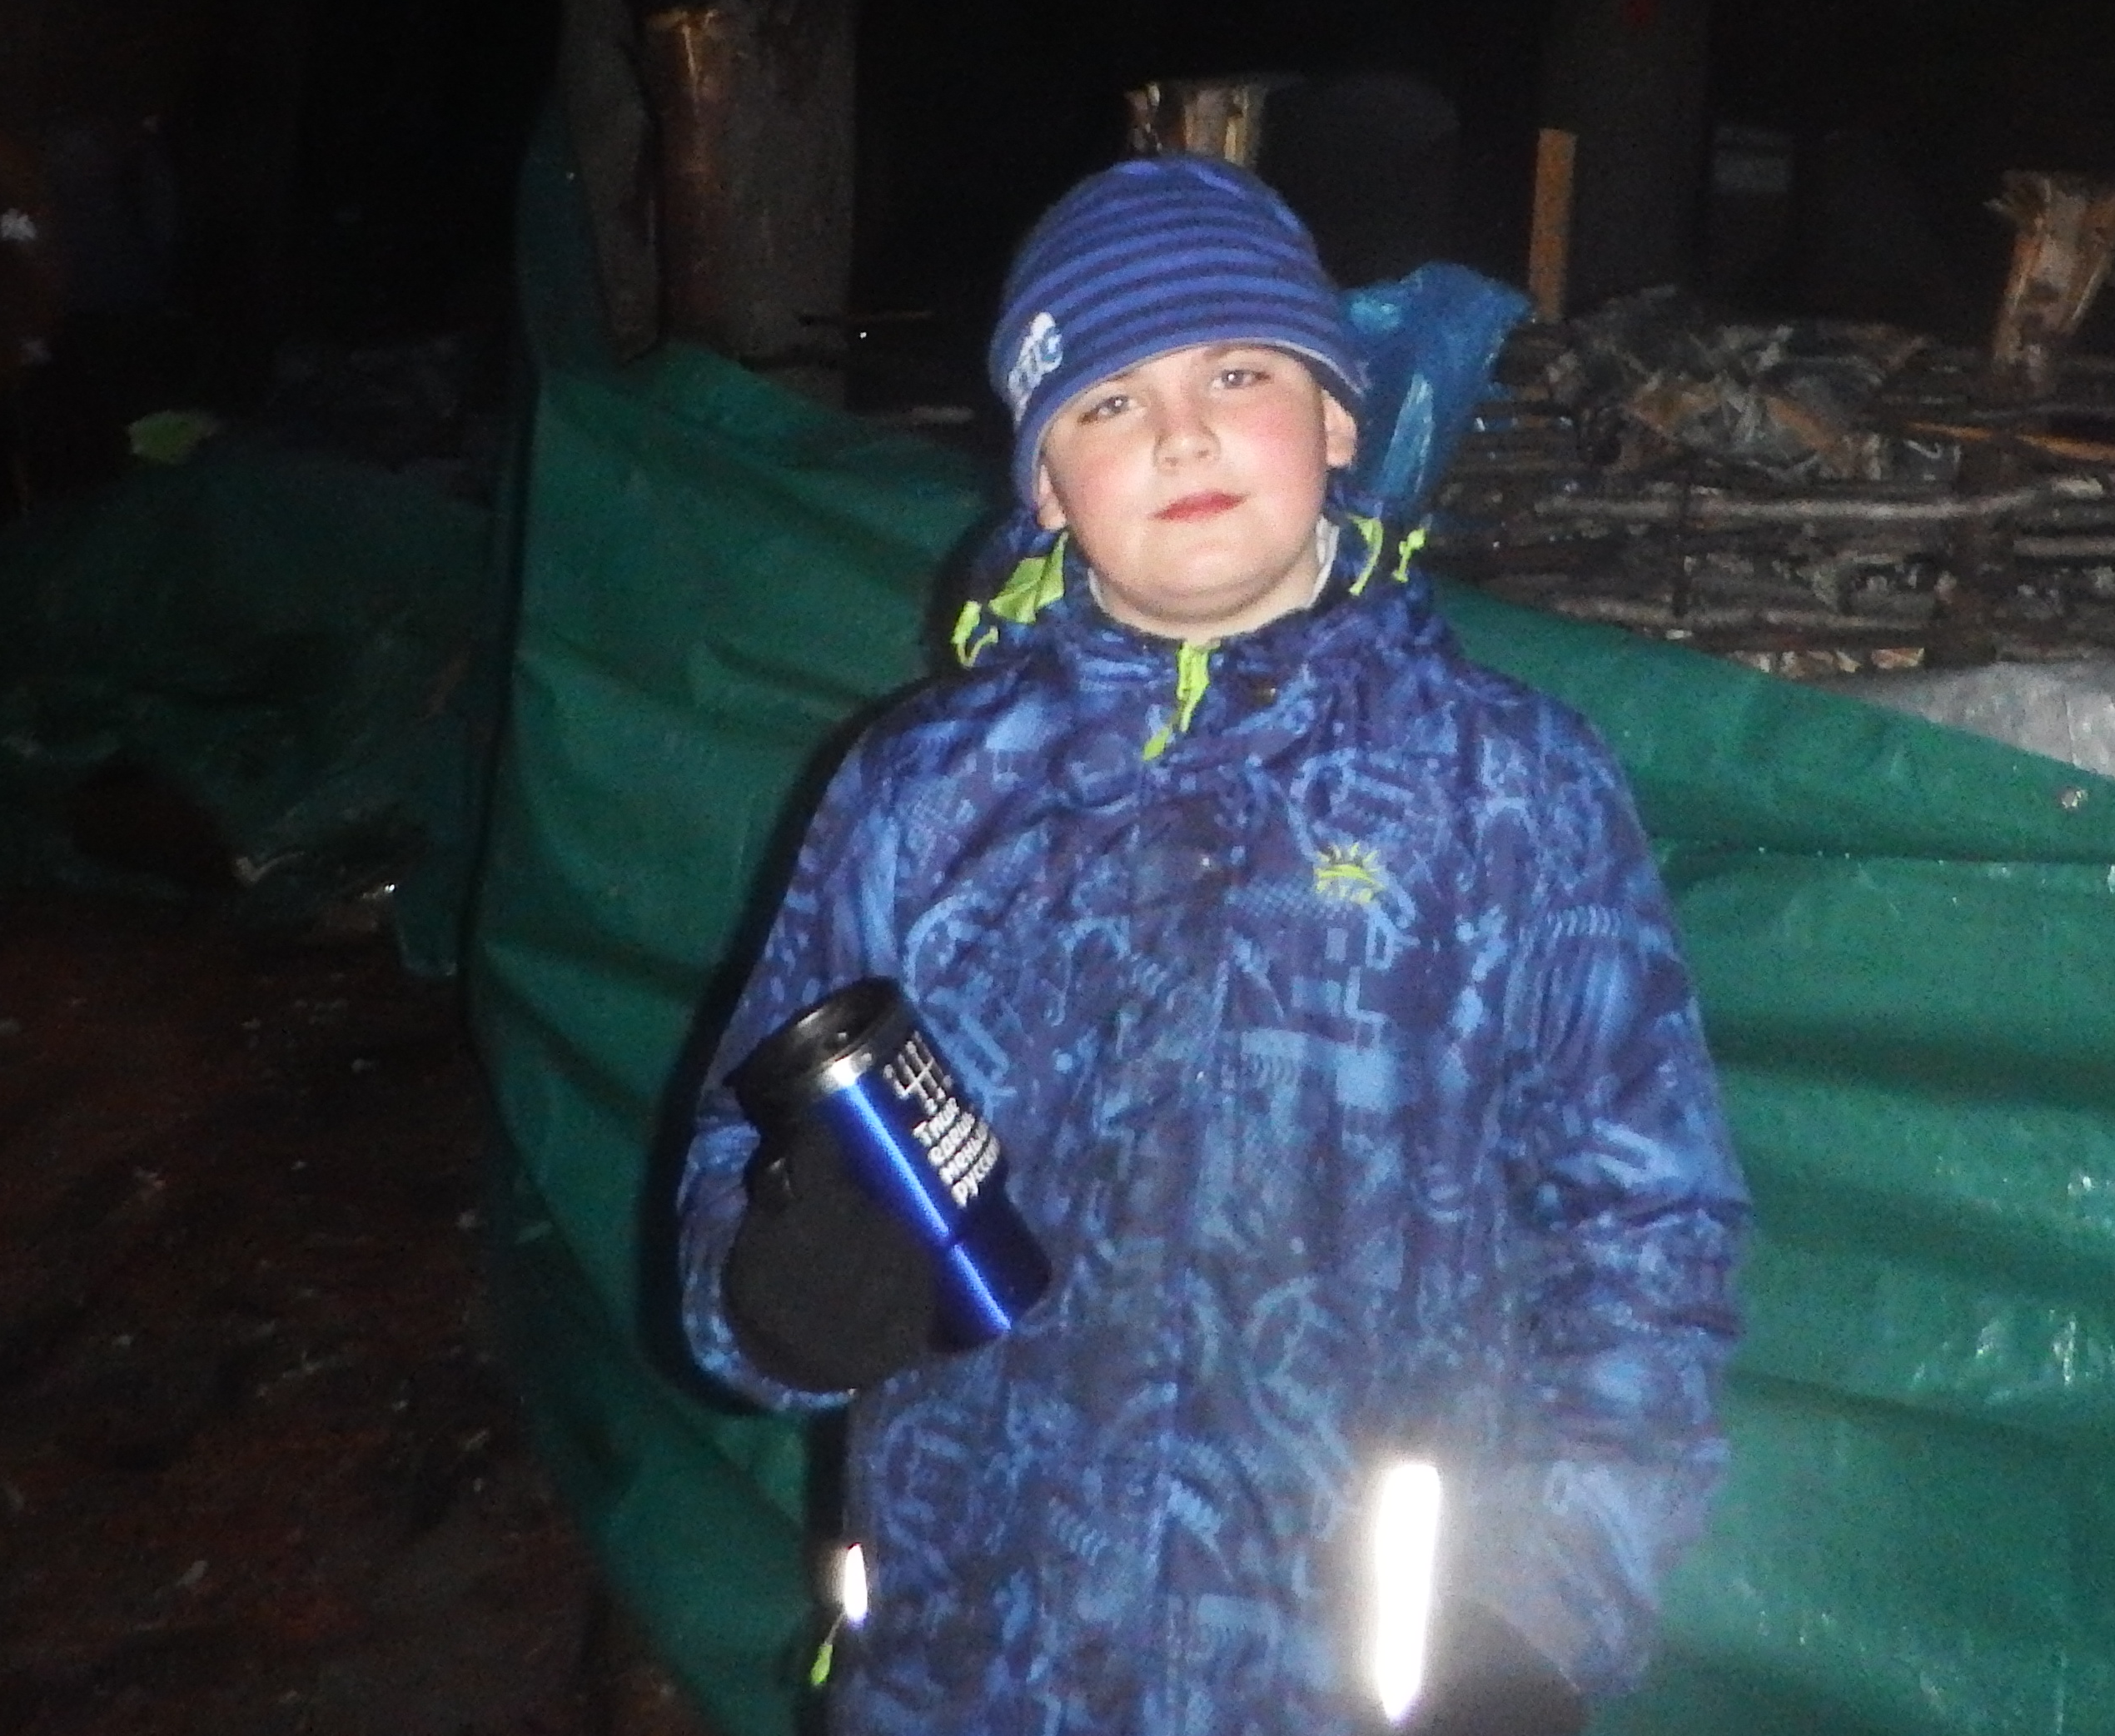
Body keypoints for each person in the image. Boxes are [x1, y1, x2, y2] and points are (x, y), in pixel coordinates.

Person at [675, 152, 1746, 1734]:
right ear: (1045, 487)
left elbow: (1646, 1231)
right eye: (1107, 401)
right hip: (970, 1674)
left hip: (1359, 1684)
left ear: (1337, 422)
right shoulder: (917, 791)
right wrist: (773, 1299)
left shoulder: (1509, 786)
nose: (1179, 433)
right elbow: (735, 1156)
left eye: (1237, 373)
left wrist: (1541, 1617)